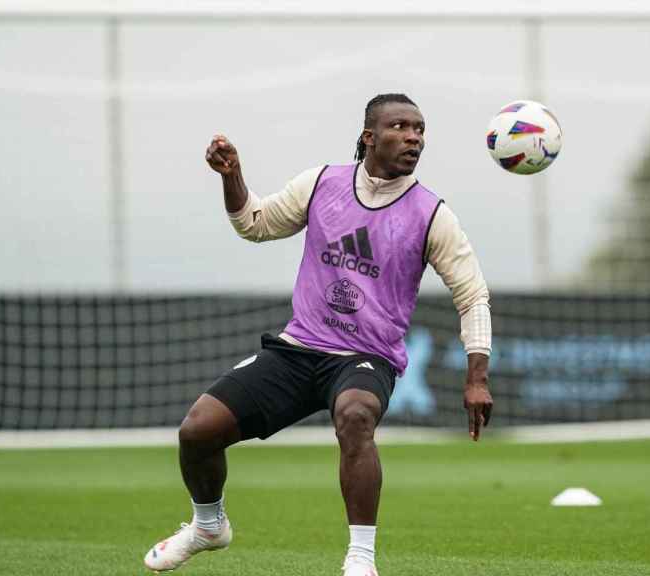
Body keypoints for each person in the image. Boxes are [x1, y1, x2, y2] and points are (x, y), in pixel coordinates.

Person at [143, 93, 494, 576]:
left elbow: (473, 296)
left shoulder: (432, 214)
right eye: (399, 127)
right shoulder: (321, 184)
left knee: (355, 414)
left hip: (366, 357)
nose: (413, 137)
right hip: (299, 349)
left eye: (419, 129)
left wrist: (477, 377)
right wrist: (232, 177)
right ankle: (208, 525)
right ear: (368, 137)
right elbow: (255, 224)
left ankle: (361, 558)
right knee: (198, 430)